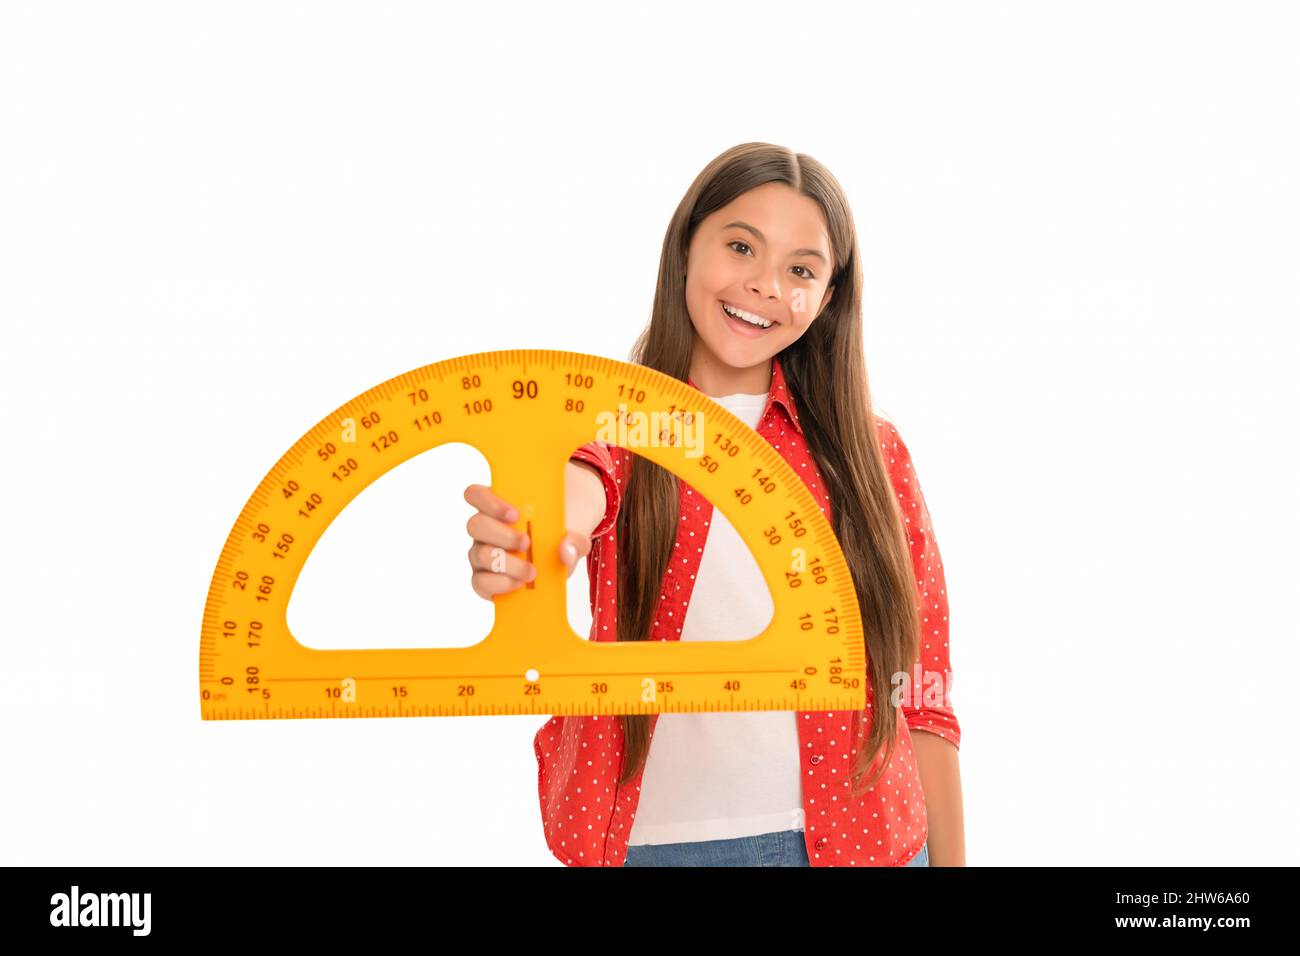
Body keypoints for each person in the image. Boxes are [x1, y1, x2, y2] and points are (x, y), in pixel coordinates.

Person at [464, 142, 963, 867]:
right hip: (659, 849)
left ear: (827, 299)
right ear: (686, 252)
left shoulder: (872, 453)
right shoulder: (614, 428)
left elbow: (920, 689)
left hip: (865, 846)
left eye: (801, 269)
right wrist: (530, 544)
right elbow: (578, 490)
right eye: (740, 246)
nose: (765, 284)